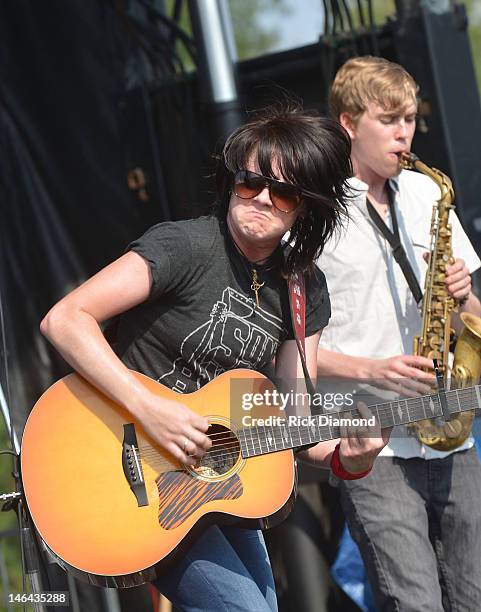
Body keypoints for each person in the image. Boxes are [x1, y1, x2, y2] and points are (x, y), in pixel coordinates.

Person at [40, 107, 389, 612]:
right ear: (232, 183)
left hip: (212, 487)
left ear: (306, 209)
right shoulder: (183, 245)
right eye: (251, 182)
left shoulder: (302, 288)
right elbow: (65, 318)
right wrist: (151, 409)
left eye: (284, 192)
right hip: (127, 470)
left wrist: (348, 458)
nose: (264, 198)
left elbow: (293, 427)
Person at [316, 56, 481, 611]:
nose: (404, 132)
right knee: (415, 603)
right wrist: (372, 370)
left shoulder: (429, 194)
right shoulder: (314, 214)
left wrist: (463, 298)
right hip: (372, 437)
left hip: (449, 430)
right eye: (388, 119)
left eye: (409, 118)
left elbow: (473, 320)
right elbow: (292, 348)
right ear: (348, 124)